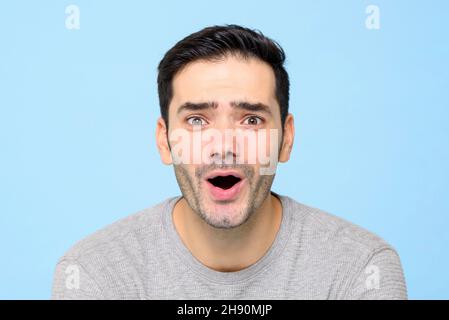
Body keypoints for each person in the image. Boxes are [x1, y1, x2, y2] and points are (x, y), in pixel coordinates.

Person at [52, 24, 407, 299]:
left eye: (251, 120)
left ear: (286, 139)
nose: (223, 146)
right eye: (196, 120)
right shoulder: (95, 273)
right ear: (164, 142)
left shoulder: (361, 268)